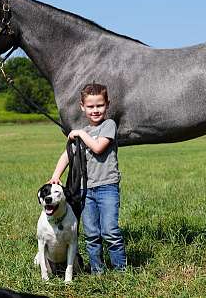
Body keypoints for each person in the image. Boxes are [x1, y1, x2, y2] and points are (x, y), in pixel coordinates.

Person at [48, 82, 127, 274]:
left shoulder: (109, 125)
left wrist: (80, 134)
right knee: (91, 233)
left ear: (107, 104)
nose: (95, 110)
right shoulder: (82, 132)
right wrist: (55, 176)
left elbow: (98, 147)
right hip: (86, 190)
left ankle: (120, 270)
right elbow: (67, 154)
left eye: (99, 105)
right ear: (82, 107)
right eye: (90, 106)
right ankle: (97, 271)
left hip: (107, 187)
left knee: (110, 231)